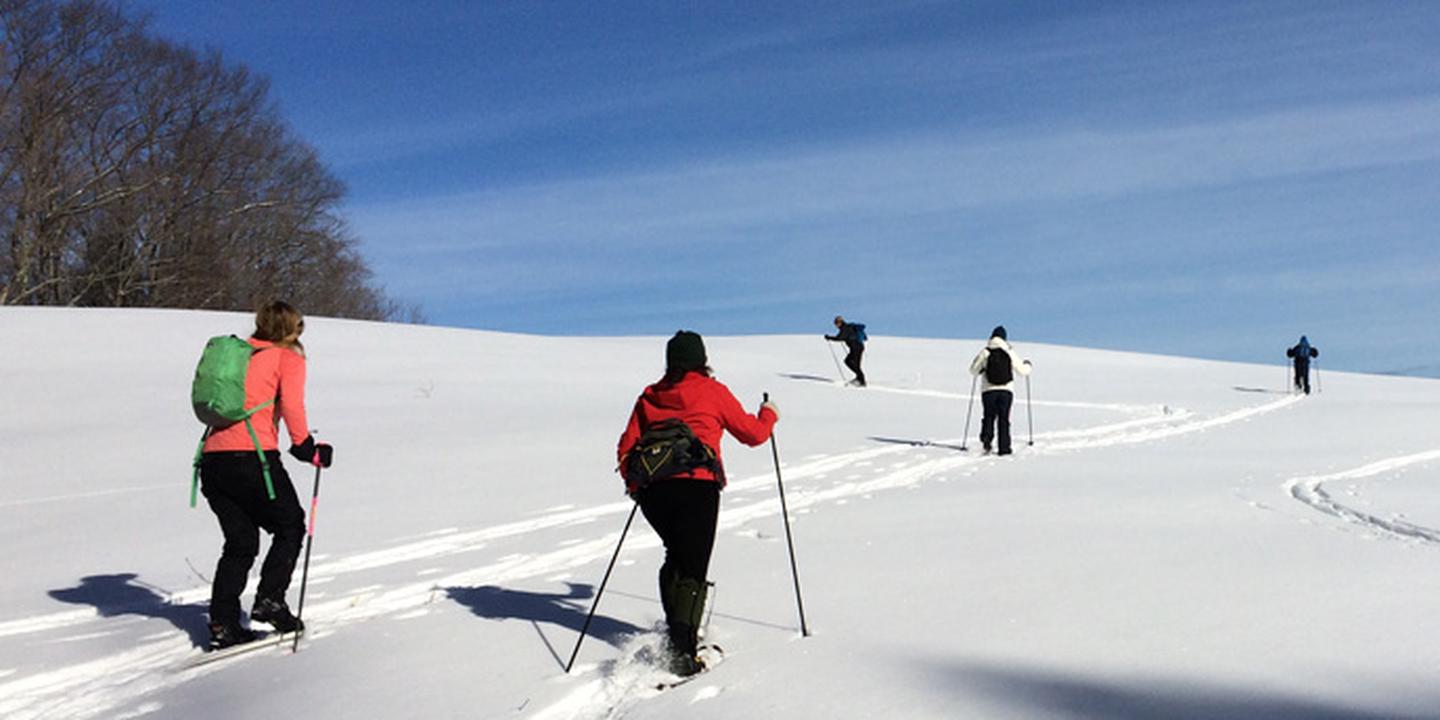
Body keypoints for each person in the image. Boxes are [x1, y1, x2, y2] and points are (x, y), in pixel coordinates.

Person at [616, 331, 779, 676]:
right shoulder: (711, 391)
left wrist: (636, 487)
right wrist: (769, 415)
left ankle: (677, 634)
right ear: (701, 359)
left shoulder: (650, 396)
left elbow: (626, 448)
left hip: (654, 491)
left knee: (675, 555)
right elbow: (753, 434)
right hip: (697, 487)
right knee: (693, 567)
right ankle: (683, 652)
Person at [198, 301, 333, 649]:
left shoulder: (240, 355)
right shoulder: (287, 359)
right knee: (290, 526)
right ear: (293, 329)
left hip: (212, 459)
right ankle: (270, 600)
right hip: (253, 458)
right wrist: (307, 449)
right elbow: (292, 406)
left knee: (240, 544)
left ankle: (223, 623)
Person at [968, 325, 1032, 456]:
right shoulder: (1009, 351)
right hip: (1006, 390)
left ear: (992, 337)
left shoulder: (985, 352)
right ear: (1004, 338)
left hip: (988, 390)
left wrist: (981, 370)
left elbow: (973, 370)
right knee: (1004, 418)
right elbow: (1022, 371)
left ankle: (986, 441)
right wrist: (1028, 365)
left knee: (989, 416)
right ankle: (1004, 448)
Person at [824, 315, 868, 386]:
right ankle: (859, 378)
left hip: (856, 348)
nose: (836, 325)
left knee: (850, 362)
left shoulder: (845, 328)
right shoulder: (847, 327)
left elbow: (839, 338)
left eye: (836, 323)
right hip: (858, 347)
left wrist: (829, 337)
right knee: (855, 364)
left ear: (840, 322)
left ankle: (861, 380)